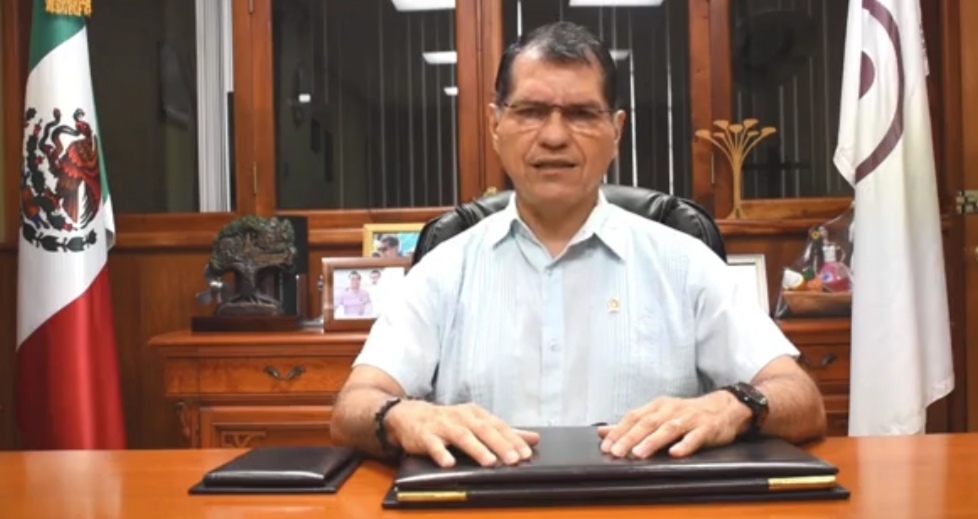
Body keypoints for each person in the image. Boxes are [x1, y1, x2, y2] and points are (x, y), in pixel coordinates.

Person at [331, 21, 825, 468]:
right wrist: (405, 417)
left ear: (616, 131)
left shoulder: (686, 263)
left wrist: (733, 406)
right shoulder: (443, 270)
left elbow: (801, 398)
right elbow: (353, 406)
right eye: (530, 111)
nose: (554, 136)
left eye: (582, 114)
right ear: (495, 125)